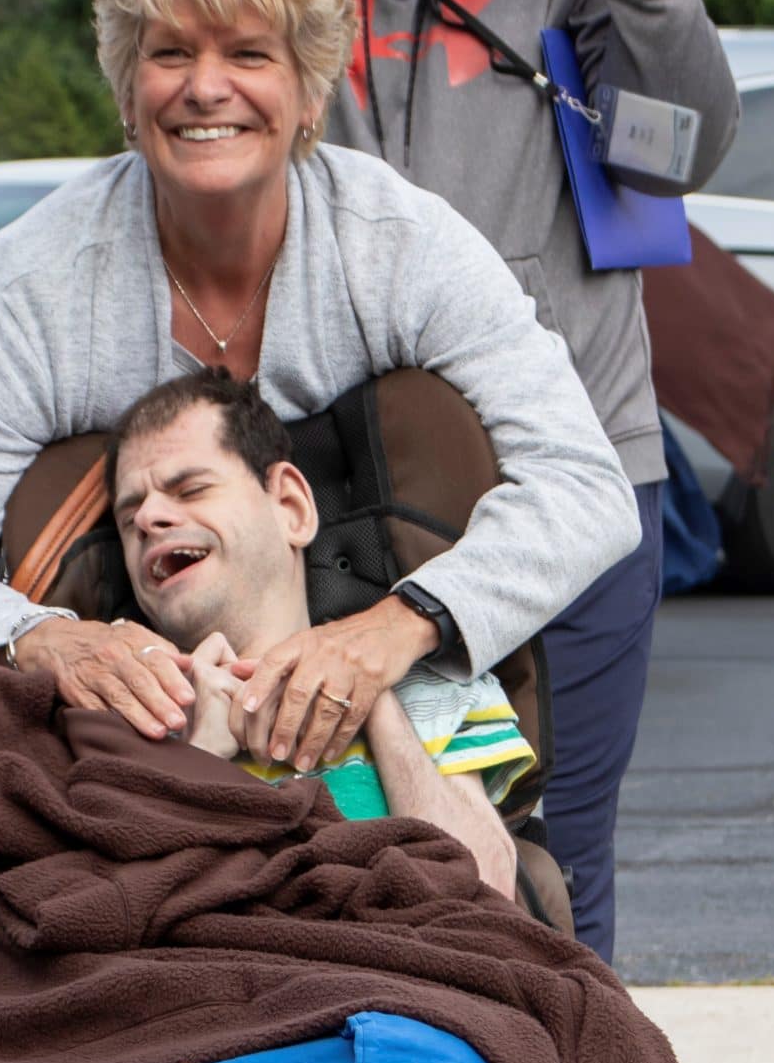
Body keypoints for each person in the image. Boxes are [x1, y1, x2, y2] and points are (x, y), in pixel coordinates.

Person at [0, 0, 640, 859]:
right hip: (126, 757)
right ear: (124, 85)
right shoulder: (29, 284)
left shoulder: (400, 242)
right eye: (170, 52)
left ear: (311, 90)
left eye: (247, 54)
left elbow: (587, 487)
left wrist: (393, 630)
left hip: (388, 710)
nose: (206, 88)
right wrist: (45, 640)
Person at [52, 0, 740, 960]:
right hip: (348, 499)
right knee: (308, 839)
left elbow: (673, 157)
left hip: (555, 472)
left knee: (548, 846)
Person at [105, 366, 529, 897]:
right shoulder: (128, 715)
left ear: (291, 507)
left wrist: (371, 698)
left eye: (189, 488)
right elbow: (117, 917)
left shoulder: (434, 692)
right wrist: (200, 755)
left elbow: (489, 894)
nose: (149, 519)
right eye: (128, 519)